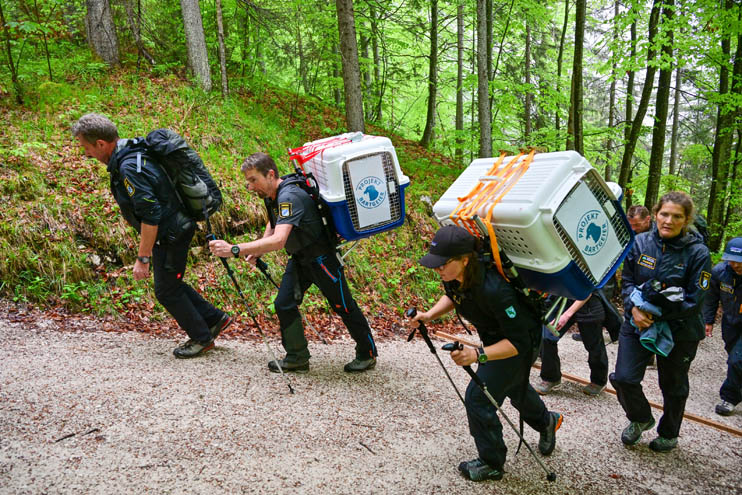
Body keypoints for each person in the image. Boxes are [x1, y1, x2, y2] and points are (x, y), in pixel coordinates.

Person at [71, 113, 231, 358]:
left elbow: (151, 214)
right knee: (171, 284)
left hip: (171, 233)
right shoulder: (133, 153)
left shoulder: (128, 167)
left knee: (166, 290)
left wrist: (142, 258)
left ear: (101, 144)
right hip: (175, 227)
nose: (86, 154)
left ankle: (202, 337)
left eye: (86, 147)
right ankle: (213, 318)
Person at [410, 225, 562, 481]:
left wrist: (478, 355)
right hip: (496, 338)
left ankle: (492, 462)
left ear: (465, 259)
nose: (438, 269)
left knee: (479, 397)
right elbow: (453, 297)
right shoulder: (456, 276)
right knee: (515, 387)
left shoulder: (495, 290)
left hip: (521, 342)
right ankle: (547, 421)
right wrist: (428, 315)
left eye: (442, 264)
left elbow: (518, 343)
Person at [209, 152, 377, 373]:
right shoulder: (273, 195)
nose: (250, 187)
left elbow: (279, 241)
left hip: (322, 259)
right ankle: (297, 356)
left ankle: (368, 353)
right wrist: (259, 246)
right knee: (284, 303)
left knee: (343, 306)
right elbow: (273, 220)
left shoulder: (289, 196)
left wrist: (235, 249)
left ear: (270, 174)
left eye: (253, 180)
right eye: (248, 181)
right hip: (300, 258)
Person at [609, 191, 711, 452]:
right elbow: (628, 281)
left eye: (677, 216)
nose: (668, 220)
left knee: (673, 385)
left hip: (681, 329)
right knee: (623, 377)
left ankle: (669, 432)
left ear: (686, 219)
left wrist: (654, 315)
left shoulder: (698, 253)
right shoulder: (640, 243)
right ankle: (641, 417)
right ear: (655, 215)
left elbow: (695, 299)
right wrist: (633, 310)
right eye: (664, 214)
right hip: (636, 322)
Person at [533, 292, 609, 396]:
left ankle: (599, 380)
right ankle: (551, 377)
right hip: (563, 298)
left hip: (587, 300)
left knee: (593, 344)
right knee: (546, 337)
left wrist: (567, 315)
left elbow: (588, 290)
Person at [703, 236, 742, 416]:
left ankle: (729, 398)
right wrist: (708, 321)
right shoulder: (719, 272)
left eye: (740, 261)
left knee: (736, 360)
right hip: (730, 321)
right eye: (732, 261)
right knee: (733, 356)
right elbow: (711, 298)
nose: (736, 265)